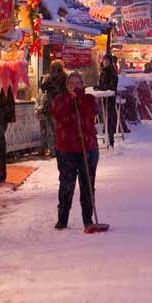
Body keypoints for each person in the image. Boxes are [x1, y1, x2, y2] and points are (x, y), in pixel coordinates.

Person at [51, 72, 100, 229]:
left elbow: (89, 114)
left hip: (87, 147)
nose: (75, 86)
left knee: (87, 184)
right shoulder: (59, 100)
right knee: (66, 184)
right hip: (67, 147)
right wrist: (70, 101)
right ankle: (62, 218)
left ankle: (88, 218)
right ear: (66, 85)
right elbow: (61, 117)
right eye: (71, 83)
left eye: (78, 83)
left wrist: (79, 98)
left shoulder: (89, 99)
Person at [39, 60, 67, 157]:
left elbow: (42, 88)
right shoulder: (64, 76)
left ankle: (55, 149)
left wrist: (42, 80)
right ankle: (61, 148)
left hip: (50, 106)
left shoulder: (50, 78)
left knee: (53, 130)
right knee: (60, 129)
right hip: (61, 106)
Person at [97, 54, 120, 147]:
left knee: (109, 118)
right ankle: (107, 136)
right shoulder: (103, 72)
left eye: (107, 61)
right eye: (104, 60)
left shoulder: (112, 72)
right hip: (103, 98)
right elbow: (102, 84)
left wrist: (102, 88)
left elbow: (112, 86)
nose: (105, 62)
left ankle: (110, 139)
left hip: (110, 99)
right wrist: (98, 87)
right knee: (105, 118)